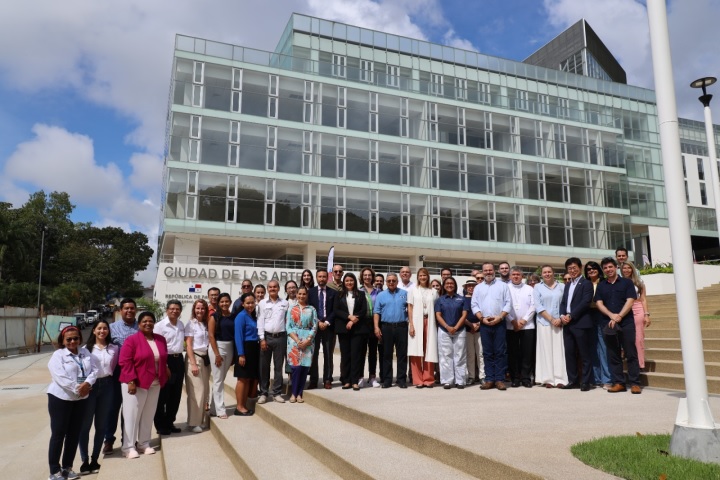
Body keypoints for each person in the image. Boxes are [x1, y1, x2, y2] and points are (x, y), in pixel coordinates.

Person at [47, 326, 97, 480]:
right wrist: (79, 389)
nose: (73, 341)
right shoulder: (58, 355)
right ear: (63, 341)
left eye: (76, 338)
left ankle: (67, 468)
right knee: (58, 434)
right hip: (61, 399)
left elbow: (94, 370)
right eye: (69, 339)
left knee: (74, 434)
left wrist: (87, 384)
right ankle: (54, 471)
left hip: (81, 399)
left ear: (80, 338)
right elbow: (60, 377)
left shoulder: (85, 352)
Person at [119, 312, 168, 459]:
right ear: (139, 324)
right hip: (136, 383)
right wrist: (131, 381)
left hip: (155, 383)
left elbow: (163, 358)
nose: (148, 323)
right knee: (132, 416)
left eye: (151, 321)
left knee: (148, 414)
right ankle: (128, 447)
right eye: (144, 321)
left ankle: (144, 443)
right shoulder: (132, 340)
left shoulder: (160, 339)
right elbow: (125, 361)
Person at [595, 257, 641, 394]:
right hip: (608, 323)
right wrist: (611, 316)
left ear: (616, 267)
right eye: (605, 268)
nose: (608, 270)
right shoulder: (601, 285)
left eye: (610, 267)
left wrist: (619, 316)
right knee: (613, 353)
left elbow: (630, 300)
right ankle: (619, 382)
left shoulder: (626, 283)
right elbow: (598, 303)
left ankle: (635, 383)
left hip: (626, 322)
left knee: (630, 352)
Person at [78, 321, 117, 475]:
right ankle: (84, 461)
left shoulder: (114, 348)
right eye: (99, 328)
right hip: (91, 387)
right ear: (93, 331)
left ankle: (95, 459)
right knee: (85, 426)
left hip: (107, 386)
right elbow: (80, 370)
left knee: (101, 426)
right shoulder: (85, 350)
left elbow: (113, 367)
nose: (102, 331)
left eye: (105, 328)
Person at [103, 298, 139, 456]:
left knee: (131, 407)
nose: (129, 311)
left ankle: (128, 438)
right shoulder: (112, 328)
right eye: (126, 308)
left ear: (136, 310)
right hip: (117, 371)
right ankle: (109, 439)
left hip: (136, 371)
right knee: (113, 406)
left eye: (132, 308)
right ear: (121, 310)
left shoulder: (141, 327)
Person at [471, 263, 511, 391]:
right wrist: (482, 318)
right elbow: (474, 305)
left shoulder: (503, 286)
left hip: (499, 322)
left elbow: (508, 304)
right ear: (482, 272)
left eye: (490, 270)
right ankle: (489, 379)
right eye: (485, 270)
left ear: (494, 271)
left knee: (500, 352)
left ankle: (499, 379)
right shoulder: (478, 288)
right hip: (485, 323)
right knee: (487, 352)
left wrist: (499, 317)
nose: (488, 272)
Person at [559, 258, 595, 391]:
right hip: (567, 324)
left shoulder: (586, 283)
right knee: (569, 353)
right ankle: (572, 380)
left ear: (580, 268)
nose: (572, 271)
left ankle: (585, 381)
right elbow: (563, 302)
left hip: (580, 322)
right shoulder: (568, 284)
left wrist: (571, 315)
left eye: (574, 268)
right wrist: (562, 315)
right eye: (569, 269)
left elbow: (585, 302)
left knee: (584, 353)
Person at [153, 300, 185, 435]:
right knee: (163, 395)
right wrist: (164, 365)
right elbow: (156, 346)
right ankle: (160, 425)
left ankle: (170, 422)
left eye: (177, 309)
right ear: (167, 310)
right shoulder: (159, 326)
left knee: (176, 394)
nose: (174, 311)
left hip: (179, 360)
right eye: (172, 308)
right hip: (166, 360)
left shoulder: (181, 324)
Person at [533, 266, 568, 388]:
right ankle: (548, 379)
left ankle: (560, 379)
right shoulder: (538, 287)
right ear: (542, 274)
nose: (547, 274)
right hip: (544, 322)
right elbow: (538, 305)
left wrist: (560, 319)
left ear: (553, 273)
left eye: (549, 272)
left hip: (560, 323)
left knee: (559, 351)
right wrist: (551, 319)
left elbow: (565, 304)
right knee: (546, 351)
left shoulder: (562, 287)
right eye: (544, 272)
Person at [334, 272, 369, 390]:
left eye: (351, 280)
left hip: (358, 329)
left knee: (356, 355)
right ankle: (346, 380)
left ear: (355, 281)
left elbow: (364, 310)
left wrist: (353, 320)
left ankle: (355, 381)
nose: (349, 282)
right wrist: (348, 317)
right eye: (347, 280)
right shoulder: (339, 295)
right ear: (344, 282)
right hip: (343, 329)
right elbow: (336, 310)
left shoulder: (361, 294)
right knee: (345, 356)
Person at [374, 273, 409, 388]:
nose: (391, 282)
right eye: (389, 281)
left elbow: (410, 310)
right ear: (386, 282)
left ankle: (401, 379)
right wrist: (376, 327)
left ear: (397, 282)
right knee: (386, 354)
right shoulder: (381, 295)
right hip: (386, 327)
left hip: (402, 327)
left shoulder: (404, 294)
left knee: (402, 354)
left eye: (393, 280)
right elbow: (376, 312)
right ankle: (387, 380)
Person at [257, 280, 289, 404]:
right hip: (267, 337)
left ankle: (277, 393)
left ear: (279, 288)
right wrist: (262, 339)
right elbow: (260, 321)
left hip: (280, 337)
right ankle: (264, 393)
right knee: (264, 367)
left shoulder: (285, 303)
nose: (272, 289)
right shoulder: (262, 303)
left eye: (275, 287)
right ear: (267, 289)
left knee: (278, 366)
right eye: (270, 287)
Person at [407, 267, 438, 388]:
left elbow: (436, 309)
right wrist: (411, 324)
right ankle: (418, 379)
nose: (422, 277)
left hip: (429, 321)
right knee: (416, 351)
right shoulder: (413, 290)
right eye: (420, 275)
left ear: (428, 277)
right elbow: (410, 307)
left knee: (429, 350)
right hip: (416, 321)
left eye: (424, 275)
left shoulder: (433, 292)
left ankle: (429, 379)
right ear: (418, 277)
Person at [286, 286, 318, 403]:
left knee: (304, 368)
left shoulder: (312, 309)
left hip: (308, 341)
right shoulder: (291, 309)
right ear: (297, 294)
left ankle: (299, 393)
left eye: (304, 294)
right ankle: (293, 393)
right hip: (294, 341)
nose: (301, 296)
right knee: (295, 368)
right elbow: (288, 327)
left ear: (307, 295)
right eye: (299, 294)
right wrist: (297, 340)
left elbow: (315, 326)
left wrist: (308, 339)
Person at [506, 267, 536, 388]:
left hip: (527, 325)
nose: (516, 276)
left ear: (522, 276)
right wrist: (513, 321)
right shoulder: (505, 288)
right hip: (510, 325)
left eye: (518, 274)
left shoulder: (529, 289)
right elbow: (504, 306)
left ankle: (525, 377)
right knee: (513, 353)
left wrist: (523, 320)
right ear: (510, 276)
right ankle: (515, 378)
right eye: (513, 274)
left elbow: (533, 305)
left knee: (527, 353)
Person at [435, 277, 467, 388]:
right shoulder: (440, 300)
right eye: (447, 283)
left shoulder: (461, 299)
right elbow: (438, 315)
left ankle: (460, 380)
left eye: (451, 283)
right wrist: (448, 327)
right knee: (445, 355)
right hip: (444, 330)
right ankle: (447, 380)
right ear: (444, 286)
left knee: (460, 355)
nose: (449, 285)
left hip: (460, 330)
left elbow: (464, 315)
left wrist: (456, 327)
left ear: (455, 285)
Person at [185, 299, 211, 433]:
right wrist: (193, 363)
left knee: (205, 390)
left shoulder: (206, 324)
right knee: (197, 391)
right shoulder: (191, 324)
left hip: (206, 358)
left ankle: (200, 420)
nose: (200, 311)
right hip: (194, 358)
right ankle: (193, 422)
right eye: (197, 308)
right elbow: (188, 344)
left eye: (202, 308)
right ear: (194, 310)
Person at [308, 269, 337, 389]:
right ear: (316, 278)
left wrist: (326, 322)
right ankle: (314, 380)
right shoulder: (310, 292)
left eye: (324, 277)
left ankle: (327, 379)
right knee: (313, 355)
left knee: (328, 354)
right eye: (319, 277)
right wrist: (318, 321)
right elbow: (309, 308)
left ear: (327, 278)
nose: (322, 279)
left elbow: (335, 310)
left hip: (329, 327)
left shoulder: (333, 293)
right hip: (315, 326)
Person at [584, 261, 611, 389]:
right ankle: (596, 378)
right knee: (592, 348)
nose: (591, 270)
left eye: (594, 268)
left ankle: (607, 378)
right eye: (589, 269)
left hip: (602, 315)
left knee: (603, 347)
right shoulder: (584, 283)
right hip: (588, 316)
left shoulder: (605, 282)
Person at [208, 293, 235, 419]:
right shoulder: (214, 317)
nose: (224, 304)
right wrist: (217, 354)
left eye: (226, 301)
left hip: (229, 347)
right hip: (217, 347)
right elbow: (211, 336)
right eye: (222, 302)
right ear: (218, 303)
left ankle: (213, 408)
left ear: (230, 302)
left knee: (220, 380)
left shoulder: (233, 317)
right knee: (218, 380)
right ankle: (220, 410)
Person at [621, 261, 651, 369]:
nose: (626, 270)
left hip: (638, 309)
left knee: (638, 338)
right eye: (624, 268)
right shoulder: (619, 282)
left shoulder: (639, 282)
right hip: (624, 310)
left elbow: (643, 299)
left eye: (629, 268)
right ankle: (628, 360)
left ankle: (639, 363)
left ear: (632, 269)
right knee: (626, 338)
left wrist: (646, 314)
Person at [234, 293, 260, 415]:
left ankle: (243, 404)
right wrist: (241, 354)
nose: (250, 305)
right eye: (247, 303)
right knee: (242, 379)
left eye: (252, 302)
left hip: (253, 348)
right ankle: (239, 406)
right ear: (243, 304)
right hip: (245, 348)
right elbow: (238, 336)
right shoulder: (241, 316)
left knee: (248, 379)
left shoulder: (252, 316)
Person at [359, 267, 383, 388]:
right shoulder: (358, 291)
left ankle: (372, 377)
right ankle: (360, 377)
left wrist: (377, 326)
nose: (367, 277)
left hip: (374, 322)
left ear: (372, 277)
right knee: (361, 351)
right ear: (362, 277)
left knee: (373, 351)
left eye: (369, 275)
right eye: (365, 275)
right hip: (362, 323)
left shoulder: (378, 292)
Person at [462, 278, 483, 385]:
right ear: (465, 288)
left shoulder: (481, 298)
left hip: (480, 328)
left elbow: (485, 311)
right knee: (470, 354)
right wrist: (470, 325)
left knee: (480, 354)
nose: (471, 287)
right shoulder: (462, 299)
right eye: (469, 286)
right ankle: (471, 376)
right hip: (467, 329)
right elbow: (461, 315)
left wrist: (478, 324)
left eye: (473, 286)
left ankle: (482, 376)